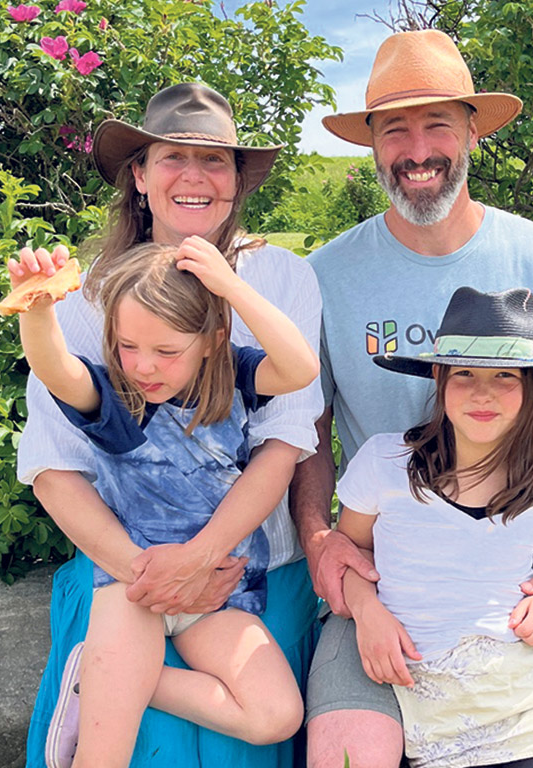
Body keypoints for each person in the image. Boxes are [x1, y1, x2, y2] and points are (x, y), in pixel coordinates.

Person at [290, 30, 533, 767]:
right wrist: (323, 542)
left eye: (438, 124)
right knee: (348, 750)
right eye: (395, 130)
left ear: (474, 130)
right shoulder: (324, 276)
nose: (417, 150)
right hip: (374, 591)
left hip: (511, 580)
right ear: (372, 146)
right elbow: (305, 427)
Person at [19, 82, 324, 768]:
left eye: (214, 160)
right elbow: (53, 458)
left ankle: (106, 677)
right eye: (171, 157)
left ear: (238, 181)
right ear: (139, 174)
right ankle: (105, 679)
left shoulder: (277, 285)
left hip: (241, 576)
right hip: (128, 574)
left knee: (270, 717)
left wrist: (202, 560)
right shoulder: (90, 304)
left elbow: (287, 435)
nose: (193, 176)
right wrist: (151, 573)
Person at [341, 286, 533, 768]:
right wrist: (366, 610)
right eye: (464, 373)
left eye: (505, 375)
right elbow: (347, 552)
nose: (483, 393)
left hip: (529, 708)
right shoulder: (384, 462)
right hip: (425, 697)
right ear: (439, 379)